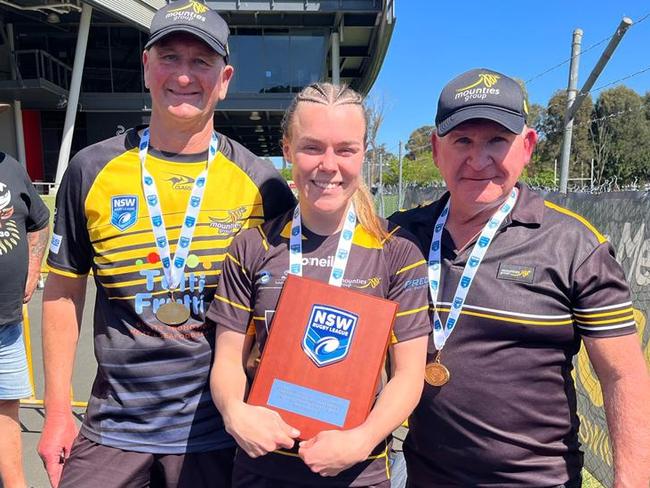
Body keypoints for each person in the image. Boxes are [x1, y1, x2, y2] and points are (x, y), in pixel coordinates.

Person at [37, 1, 295, 487]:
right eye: (170, 57)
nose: (183, 75)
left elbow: (284, 309)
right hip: (112, 427)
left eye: (201, 62)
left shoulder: (263, 184)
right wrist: (55, 415)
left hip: (219, 431)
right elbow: (62, 294)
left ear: (225, 78)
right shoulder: (90, 170)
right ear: (146, 67)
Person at [389, 68, 650, 487]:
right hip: (424, 477)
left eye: (497, 140)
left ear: (527, 146)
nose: (478, 160)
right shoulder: (399, 237)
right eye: (462, 141)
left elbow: (624, 376)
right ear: (437, 150)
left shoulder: (576, 247)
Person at [207, 82, 431, 487]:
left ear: (364, 152)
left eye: (345, 149)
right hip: (264, 465)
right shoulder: (252, 246)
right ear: (288, 149)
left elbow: (409, 376)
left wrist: (362, 440)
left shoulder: (397, 252)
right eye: (312, 147)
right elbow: (227, 360)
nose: (329, 165)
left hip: (357, 471)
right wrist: (234, 413)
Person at [0, 152, 49, 488]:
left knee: (6, 412)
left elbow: (39, 220)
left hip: (6, 324)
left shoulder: (10, 167)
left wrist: (33, 266)